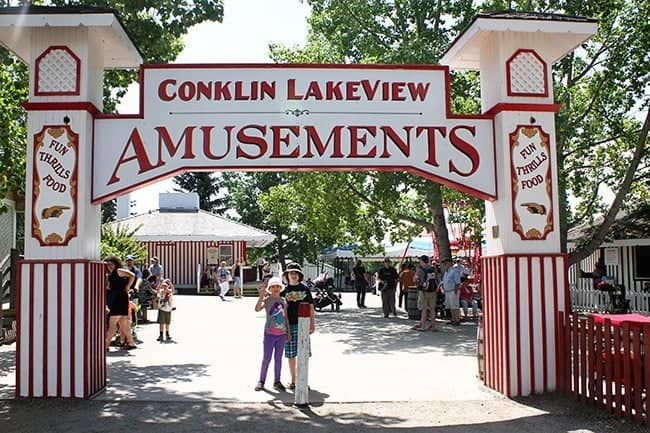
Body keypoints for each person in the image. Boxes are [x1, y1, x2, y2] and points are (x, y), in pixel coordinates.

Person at [280, 262, 315, 390]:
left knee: (303, 353)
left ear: (299, 275)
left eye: (296, 273)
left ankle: (303, 379)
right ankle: (293, 380)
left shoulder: (305, 289)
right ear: (287, 275)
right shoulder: (284, 291)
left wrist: (312, 323)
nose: (293, 275)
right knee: (290, 354)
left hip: (303, 325)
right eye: (291, 273)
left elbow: (311, 306)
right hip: (289, 326)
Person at [254, 276, 290, 391]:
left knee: (278, 358)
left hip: (281, 334)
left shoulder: (284, 301)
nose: (275, 288)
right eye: (273, 286)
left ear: (280, 288)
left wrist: (288, 332)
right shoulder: (268, 300)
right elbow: (257, 309)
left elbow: (286, 318)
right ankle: (261, 380)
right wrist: (260, 297)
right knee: (266, 358)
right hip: (269, 334)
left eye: (277, 286)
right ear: (270, 288)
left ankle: (277, 381)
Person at [104, 256, 137, 351]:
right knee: (124, 323)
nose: (109, 266)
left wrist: (127, 287)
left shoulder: (118, 271)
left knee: (113, 323)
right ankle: (131, 342)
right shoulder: (111, 274)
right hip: (119, 299)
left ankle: (106, 345)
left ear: (115, 263)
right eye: (108, 264)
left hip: (119, 299)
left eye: (111, 264)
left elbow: (132, 275)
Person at [412, 255, 438, 331]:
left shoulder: (420, 270)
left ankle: (423, 326)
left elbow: (415, 279)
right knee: (432, 309)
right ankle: (433, 326)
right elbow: (437, 278)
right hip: (433, 291)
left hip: (424, 291)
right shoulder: (433, 269)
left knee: (424, 309)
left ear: (422, 261)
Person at [441, 257, 462, 326]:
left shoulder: (454, 271)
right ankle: (453, 319)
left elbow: (457, 282)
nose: (444, 265)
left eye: (445, 263)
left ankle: (457, 319)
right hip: (448, 291)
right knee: (450, 306)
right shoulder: (446, 272)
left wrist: (455, 291)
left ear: (449, 263)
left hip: (453, 291)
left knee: (455, 306)